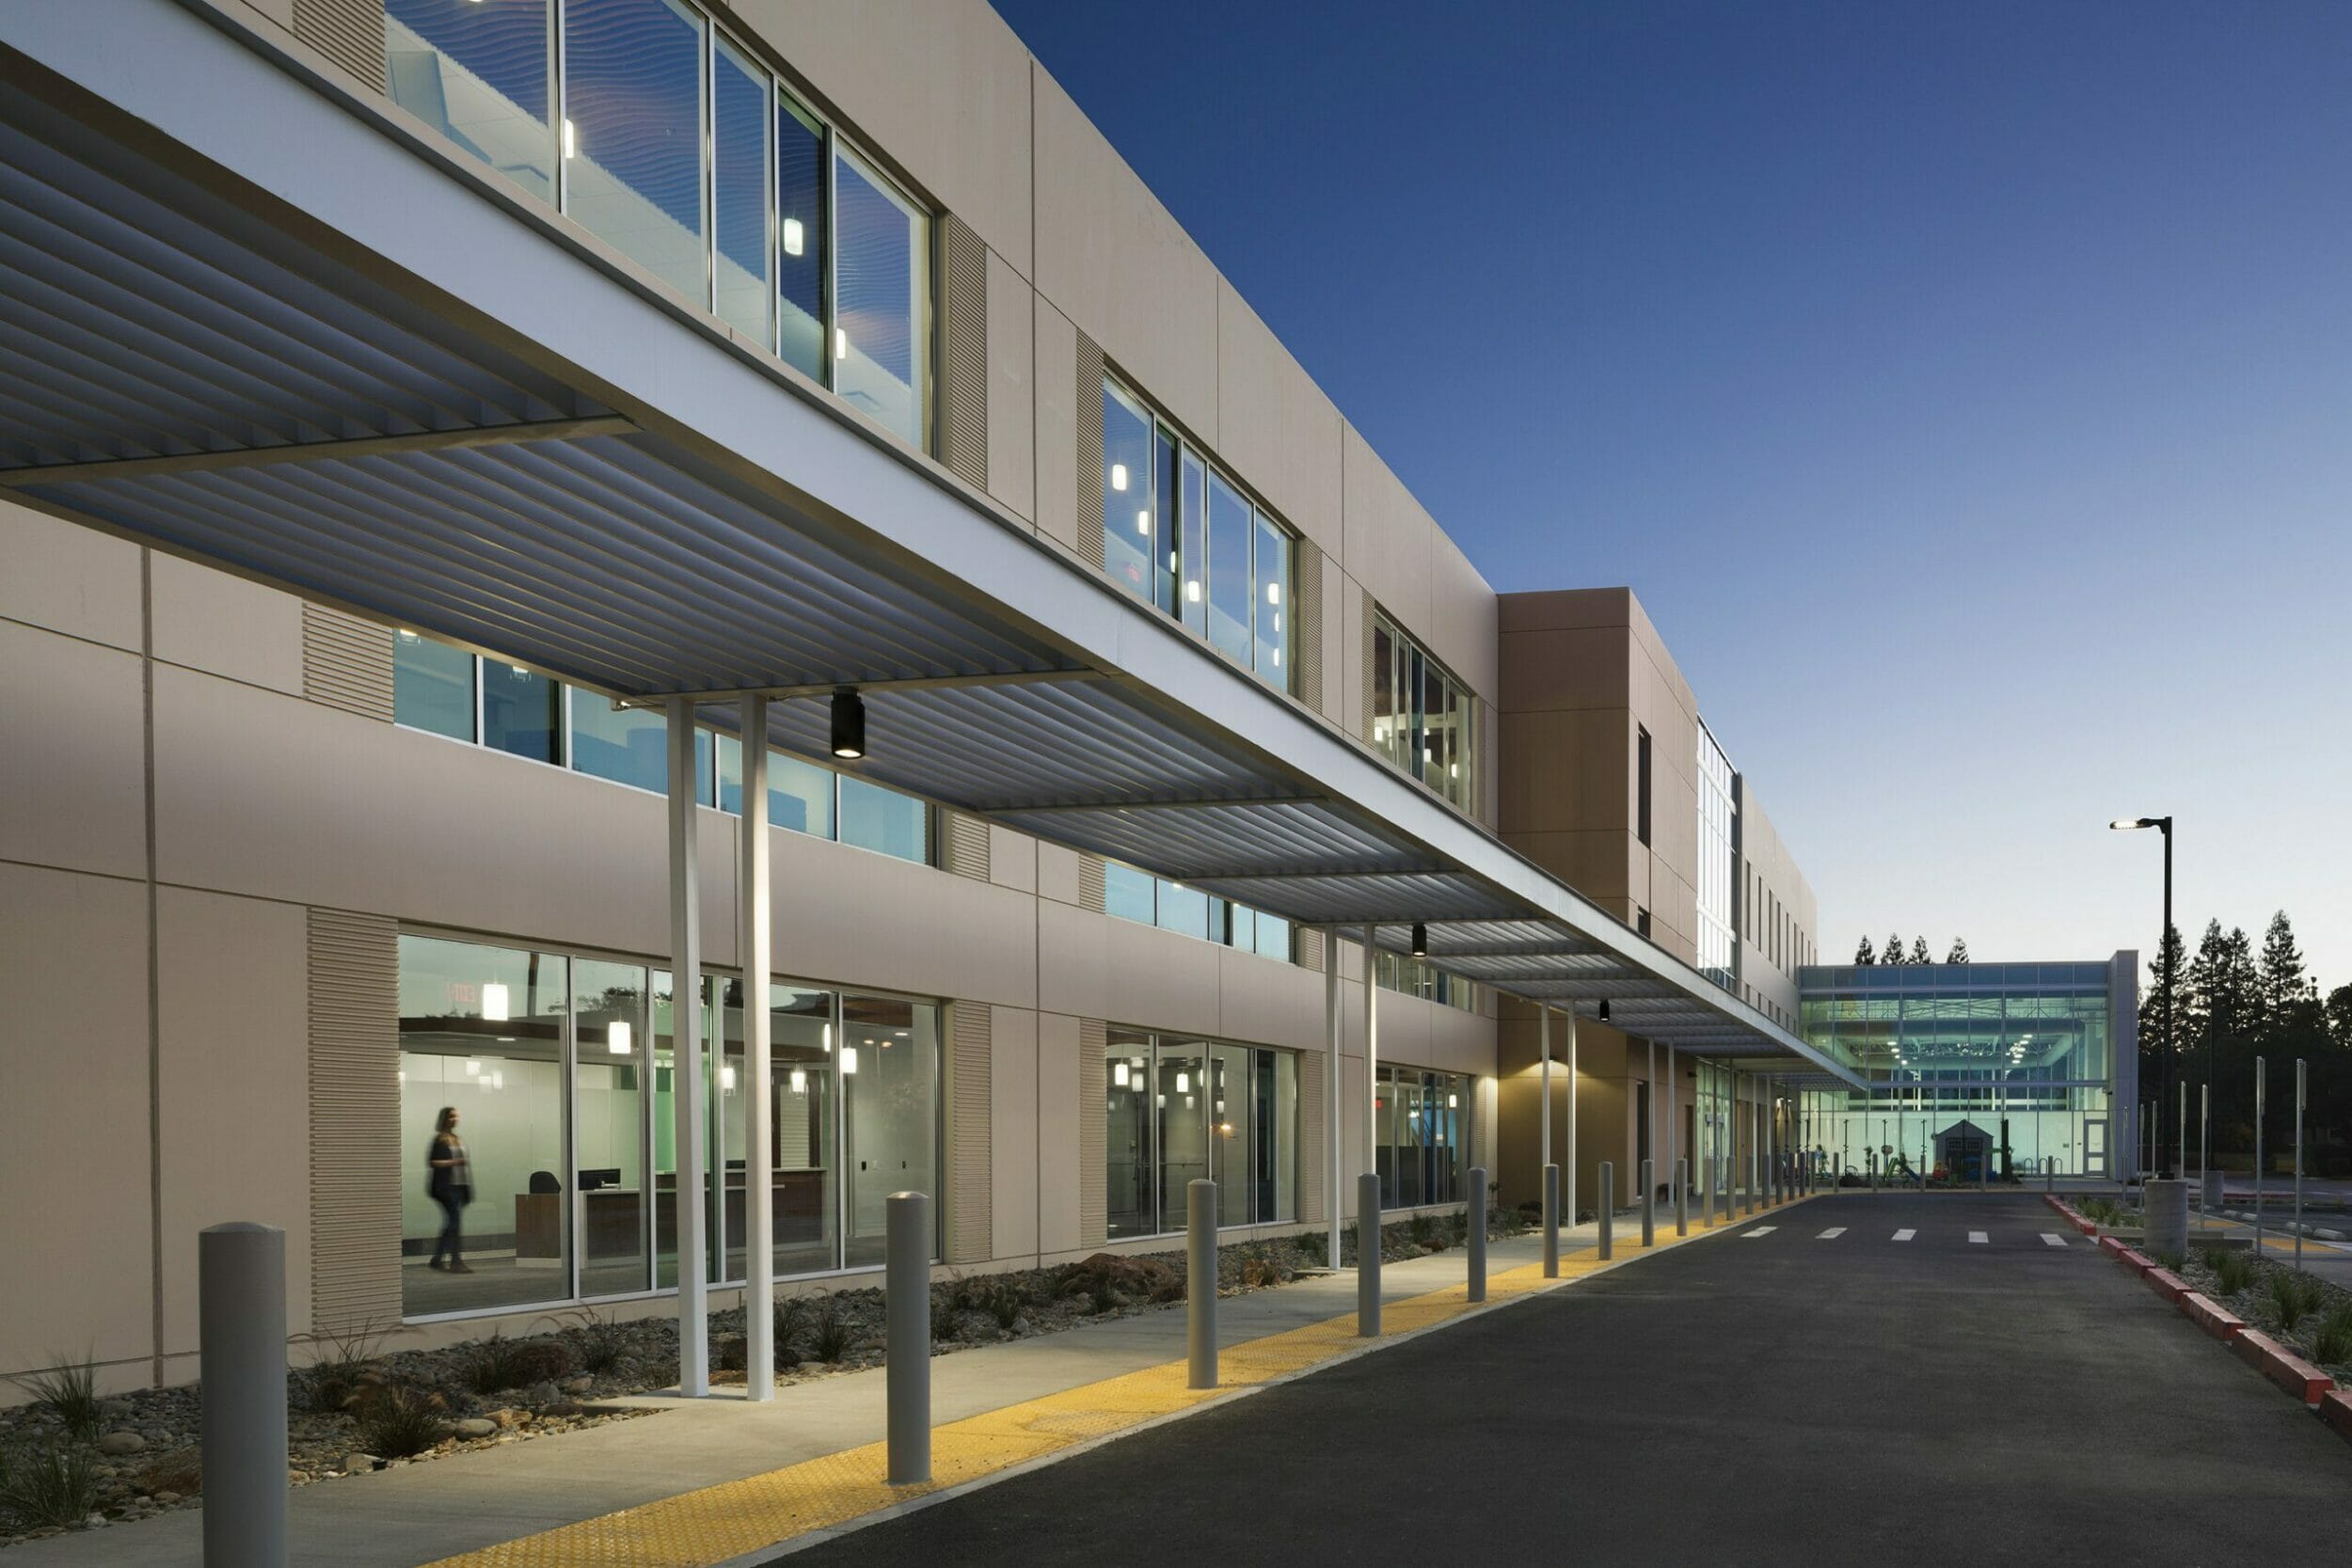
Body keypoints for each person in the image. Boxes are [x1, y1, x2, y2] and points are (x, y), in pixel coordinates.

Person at [426, 1106, 473, 1274]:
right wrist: (453, 1162)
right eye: (452, 1116)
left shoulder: (457, 1139)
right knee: (454, 1222)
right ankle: (455, 1260)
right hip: (446, 1188)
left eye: (456, 1116)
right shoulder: (440, 1140)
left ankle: (437, 1258)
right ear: (445, 1118)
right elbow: (433, 1162)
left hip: (459, 1186)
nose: (455, 1119)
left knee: (451, 1223)